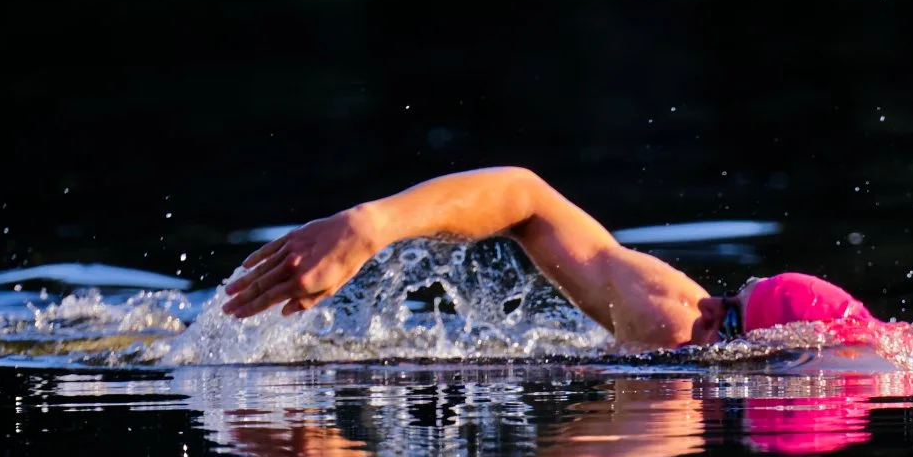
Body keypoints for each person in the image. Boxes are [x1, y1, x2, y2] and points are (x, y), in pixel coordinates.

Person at [219, 166, 876, 348]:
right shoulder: (676, 314)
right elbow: (527, 198)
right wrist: (372, 225)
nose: (704, 306)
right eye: (729, 293)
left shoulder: (669, 424)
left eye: (730, 319)